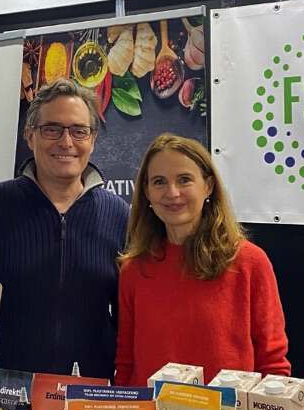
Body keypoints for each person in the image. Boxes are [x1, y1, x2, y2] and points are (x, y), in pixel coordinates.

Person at [0, 78, 129, 379]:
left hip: (89, 391)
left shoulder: (119, 215)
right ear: (30, 136)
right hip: (4, 389)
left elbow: (130, 316)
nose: (66, 142)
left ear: (93, 139)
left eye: (79, 131)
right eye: (52, 129)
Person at [115, 133, 290, 386]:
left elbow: (272, 362)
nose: (172, 192)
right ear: (147, 192)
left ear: (208, 186)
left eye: (184, 179)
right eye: (159, 182)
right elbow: (126, 363)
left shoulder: (249, 262)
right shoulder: (134, 270)